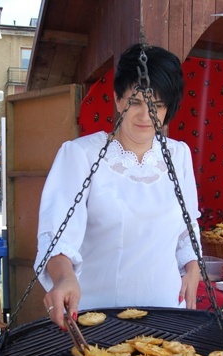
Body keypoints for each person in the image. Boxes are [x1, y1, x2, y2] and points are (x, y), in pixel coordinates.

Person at [35, 43, 201, 329]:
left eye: (157, 105)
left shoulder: (179, 156)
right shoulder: (81, 155)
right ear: (117, 100)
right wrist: (64, 277)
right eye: (135, 102)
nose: (145, 115)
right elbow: (56, 235)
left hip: (167, 313)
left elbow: (187, 229)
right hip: (99, 316)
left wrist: (193, 267)